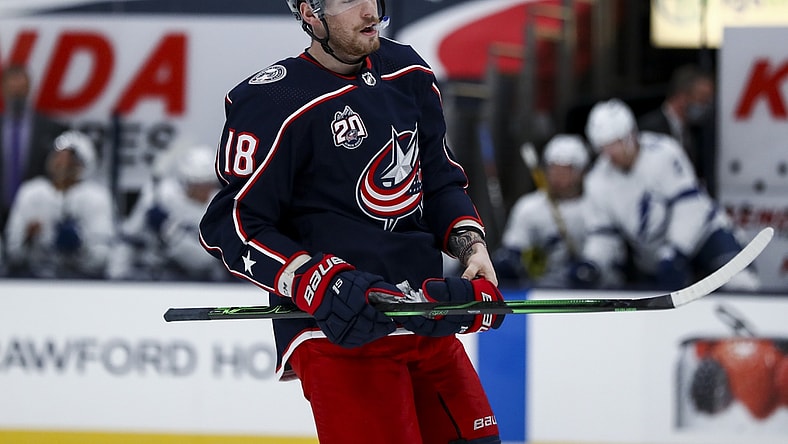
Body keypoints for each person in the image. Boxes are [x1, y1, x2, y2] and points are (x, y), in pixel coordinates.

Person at [198, 1, 506, 442]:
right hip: (338, 333)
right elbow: (231, 224)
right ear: (309, 12)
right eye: (348, 0)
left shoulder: (408, 72)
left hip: (423, 318)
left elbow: (439, 181)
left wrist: (471, 248)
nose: (369, 12)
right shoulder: (272, 100)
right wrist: (314, 280)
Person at [576, 98, 759, 291]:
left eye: (615, 144)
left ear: (630, 135)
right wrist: (593, 262)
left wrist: (677, 249)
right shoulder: (597, 180)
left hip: (704, 237)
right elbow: (604, 234)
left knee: (740, 283)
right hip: (655, 258)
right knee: (658, 310)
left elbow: (688, 207)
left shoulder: (664, 152)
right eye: (603, 147)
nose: (610, 153)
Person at [4, 130, 115, 279]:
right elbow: (11, 252)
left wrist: (81, 245)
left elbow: (104, 255)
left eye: (69, 158)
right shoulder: (31, 192)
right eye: (58, 156)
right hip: (35, 277)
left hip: (83, 279)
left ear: (84, 163)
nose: (61, 163)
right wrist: (27, 238)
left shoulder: (97, 196)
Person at [108, 145, 228, 281]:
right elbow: (129, 237)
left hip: (199, 281)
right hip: (156, 275)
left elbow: (205, 261)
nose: (203, 188)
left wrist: (167, 228)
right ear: (185, 181)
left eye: (208, 183)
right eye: (196, 183)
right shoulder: (163, 196)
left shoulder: (222, 207)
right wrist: (115, 275)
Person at [494, 134, 591, 288]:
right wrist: (511, 260)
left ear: (581, 173)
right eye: (554, 169)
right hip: (539, 290)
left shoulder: (596, 207)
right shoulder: (528, 207)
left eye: (565, 170)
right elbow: (515, 244)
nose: (558, 176)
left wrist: (591, 266)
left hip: (590, 293)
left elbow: (605, 246)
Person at [1, 64, 69, 235]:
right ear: (3, 89)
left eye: (21, 90)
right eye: (12, 89)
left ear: (29, 89)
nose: (16, 95)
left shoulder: (50, 129)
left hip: (35, 214)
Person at [637, 64, 715, 189]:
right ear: (682, 97)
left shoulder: (697, 133)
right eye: (702, 98)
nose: (706, 105)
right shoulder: (649, 130)